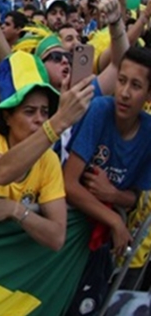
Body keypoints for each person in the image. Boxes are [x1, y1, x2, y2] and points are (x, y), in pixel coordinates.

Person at [0, 52, 93, 250]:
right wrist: (58, 122)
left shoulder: (48, 160)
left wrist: (15, 210)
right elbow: (0, 172)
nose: (40, 119)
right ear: (7, 117)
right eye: (29, 111)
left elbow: (56, 237)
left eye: (45, 112)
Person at [64, 47, 151, 313]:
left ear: (148, 95)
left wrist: (113, 195)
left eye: (135, 85)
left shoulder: (148, 135)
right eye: (121, 80)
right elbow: (68, 183)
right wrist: (114, 218)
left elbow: (136, 197)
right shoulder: (99, 110)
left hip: (103, 250)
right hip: (67, 237)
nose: (124, 92)